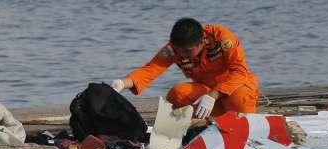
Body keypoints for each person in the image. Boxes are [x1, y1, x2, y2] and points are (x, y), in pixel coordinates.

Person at [111, 17, 259, 119]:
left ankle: (245, 126)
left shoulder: (222, 38)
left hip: (233, 91)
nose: (182, 54)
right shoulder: (174, 49)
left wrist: (213, 95)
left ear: (201, 42)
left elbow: (239, 71)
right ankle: (200, 126)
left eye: (187, 51)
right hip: (206, 94)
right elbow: (150, 70)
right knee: (177, 94)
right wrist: (122, 83)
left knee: (240, 94)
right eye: (178, 49)